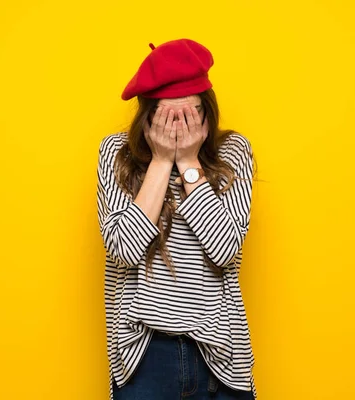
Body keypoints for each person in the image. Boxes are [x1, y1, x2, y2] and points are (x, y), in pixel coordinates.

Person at [96, 38, 257, 400]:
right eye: (170, 117)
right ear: (148, 116)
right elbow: (123, 249)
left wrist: (188, 162)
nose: (180, 126)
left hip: (219, 352)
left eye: (191, 114)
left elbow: (226, 249)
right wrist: (161, 159)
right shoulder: (115, 154)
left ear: (207, 111)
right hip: (145, 351)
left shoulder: (234, 152)